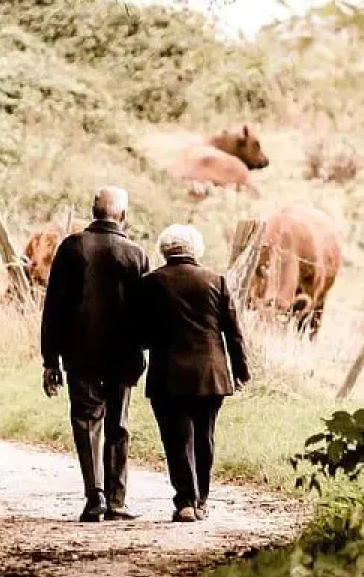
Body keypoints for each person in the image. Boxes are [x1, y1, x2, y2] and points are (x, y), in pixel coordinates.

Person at [40, 186, 150, 522]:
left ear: (93, 212)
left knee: (86, 421)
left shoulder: (72, 247)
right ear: (123, 215)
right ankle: (117, 500)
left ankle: (95, 496)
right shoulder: (135, 254)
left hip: (80, 353)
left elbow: (54, 307)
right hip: (124, 355)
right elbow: (145, 312)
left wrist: (50, 359)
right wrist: (144, 350)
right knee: (118, 424)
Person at [140, 224, 251, 523]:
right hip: (210, 373)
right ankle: (201, 500)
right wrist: (240, 370)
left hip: (167, 374)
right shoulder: (216, 281)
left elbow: (141, 331)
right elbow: (233, 332)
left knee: (175, 439)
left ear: (164, 250)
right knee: (204, 436)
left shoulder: (150, 283)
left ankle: (185, 501)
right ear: (196, 250)